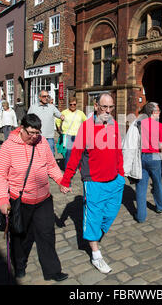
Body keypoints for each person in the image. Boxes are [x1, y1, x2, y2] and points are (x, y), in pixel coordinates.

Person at [0, 114, 70, 281]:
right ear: (21, 129)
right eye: (31, 133)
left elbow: (51, 165)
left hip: (43, 199)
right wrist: (2, 199)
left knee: (47, 234)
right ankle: (19, 265)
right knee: (19, 235)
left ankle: (52, 270)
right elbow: (0, 174)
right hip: (20, 200)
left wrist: (60, 180)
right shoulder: (8, 147)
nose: (34, 137)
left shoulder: (42, 143)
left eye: (37, 133)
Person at [60, 93, 125, 274]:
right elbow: (75, 156)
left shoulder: (114, 125)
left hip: (114, 180)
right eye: (104, 107)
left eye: (111, 107)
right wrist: (66, 180)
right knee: (94, 217)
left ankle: (94, 234)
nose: (108, 111)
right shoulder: (86, 127)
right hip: (94, 181)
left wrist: (121, 174)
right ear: (96, 106)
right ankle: (96, 253)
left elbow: (118, 151)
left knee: (111, 213)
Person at [124, 102, 162, 223]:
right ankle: (160, 206)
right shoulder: (160, 127)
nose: (160, 113)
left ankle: (141, 216)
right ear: (153, 112)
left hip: (141, 157)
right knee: (157, 183)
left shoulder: (138, 123)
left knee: (140, 187)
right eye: (158, 111)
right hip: (155, 157)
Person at [28, 90, 65, 155]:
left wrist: (62, 117)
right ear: (39, 97)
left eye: (47, 96)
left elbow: (59, 114)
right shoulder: (33, 107)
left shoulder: (51, 107)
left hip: (49, 136)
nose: (46, 98)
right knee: (38, 154)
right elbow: (28, 119)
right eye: (44, 96)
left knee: (51, 155)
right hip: (38, 135)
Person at [56, 96, 87, 169]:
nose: (72, 106)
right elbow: (57, 120)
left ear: (76, 104)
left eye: (74, 104)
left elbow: (86, 122)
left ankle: (75, 167)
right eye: (71, 104)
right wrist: (59, 130)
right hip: (68, 136)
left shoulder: (80, 113)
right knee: (68, 153)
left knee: (77, 154)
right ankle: (68, 169)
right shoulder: (64, 112)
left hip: (78, 136)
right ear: (68, 104)